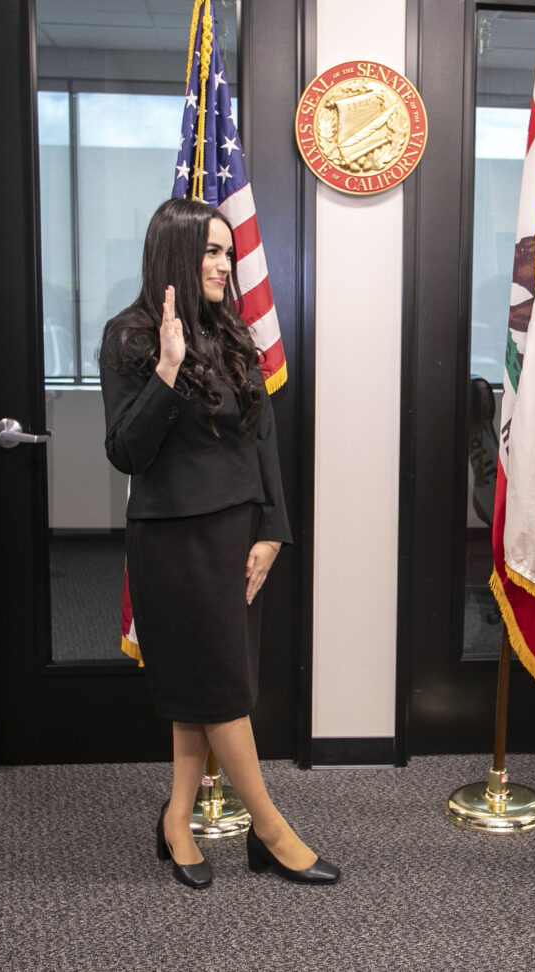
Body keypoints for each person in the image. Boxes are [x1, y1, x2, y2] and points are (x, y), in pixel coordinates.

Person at [100, 197, 339, 890]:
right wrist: (169, 372)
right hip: (174, 543)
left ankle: (177, 818)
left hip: (238, 534)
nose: (223, 264)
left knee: (202, 688)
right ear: (173, 254)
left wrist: (273, 531)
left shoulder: (235, 332)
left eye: (228, 253)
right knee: (222, 691)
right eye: (210, 251)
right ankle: (270, 830)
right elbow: (126, 452)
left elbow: (263, 440)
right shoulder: (130, 338)